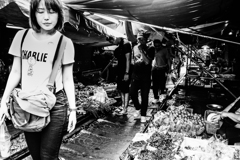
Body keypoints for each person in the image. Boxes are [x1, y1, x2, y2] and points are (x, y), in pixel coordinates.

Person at [0, 0, 77, 159]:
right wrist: (4, 100)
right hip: (28, 103)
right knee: (36, 156)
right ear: (33, 14)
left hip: (55, 104)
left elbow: (68, 79)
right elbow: (15, 71)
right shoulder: (21, 37)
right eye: (41, 11)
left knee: (47, 157)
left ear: (59, 14)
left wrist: (73, 110)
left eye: (51, 12)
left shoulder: (65, 43)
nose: (46, 17)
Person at [130, 31, 155, 123]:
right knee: (132, 93)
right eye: (138, 38)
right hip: (135, 75)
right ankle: (138, 107)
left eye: (141, 39)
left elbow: (147, 62)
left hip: (145, 76)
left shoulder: (151, 48)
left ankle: (143, 114)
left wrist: (141, 51)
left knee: (144, 96)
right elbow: (133, 60)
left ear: (145, 39)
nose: (139, 40)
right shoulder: (134, 47)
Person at [107, 36, 132, 115]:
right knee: (121, 89)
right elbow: (118, 60)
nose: (112, 42)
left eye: (113, 40)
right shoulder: (117, 49)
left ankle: (125, 108)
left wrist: (127, 72)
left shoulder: (127, 46)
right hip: (120, 71)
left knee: (125, 89)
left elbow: (128, 59)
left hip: (125, 71)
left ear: (119, 38)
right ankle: (123, 105)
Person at [151, 39, 172, 104]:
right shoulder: (152, 50)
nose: (157, 47)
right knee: (155, 84)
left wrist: (169, 68)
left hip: (162, 69)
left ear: (160, 44)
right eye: (155, 46)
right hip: (155, 69)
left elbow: (168, 60)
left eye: (158, 45)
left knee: (162, 83)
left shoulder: (165, 50)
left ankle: (162, 96)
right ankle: (156, 98)